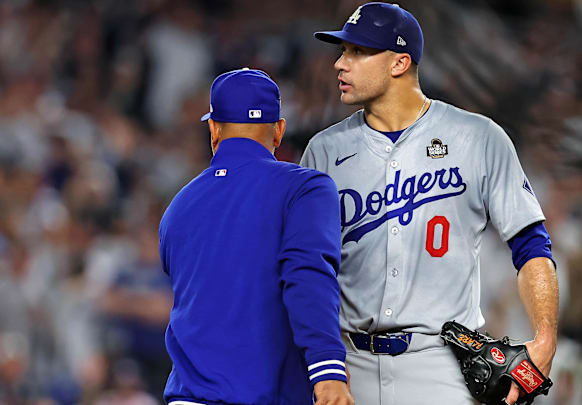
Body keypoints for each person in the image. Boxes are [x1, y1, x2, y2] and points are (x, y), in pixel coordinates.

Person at [300, 3, 559, 404]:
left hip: (442, 365)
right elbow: (308, 269)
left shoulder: (477, 137)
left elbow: (531, 244)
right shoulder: (324, 151)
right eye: (342, 51)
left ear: (399, 62)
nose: (339, 63)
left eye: (357, 52)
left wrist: (546, 337)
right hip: (349, 365)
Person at [159, 68, 354, 405]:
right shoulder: (304, 188)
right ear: (279, 130)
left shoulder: (178, 206)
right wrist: (328, 370)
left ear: (214, 129)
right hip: (260, 396)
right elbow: (308, 277)